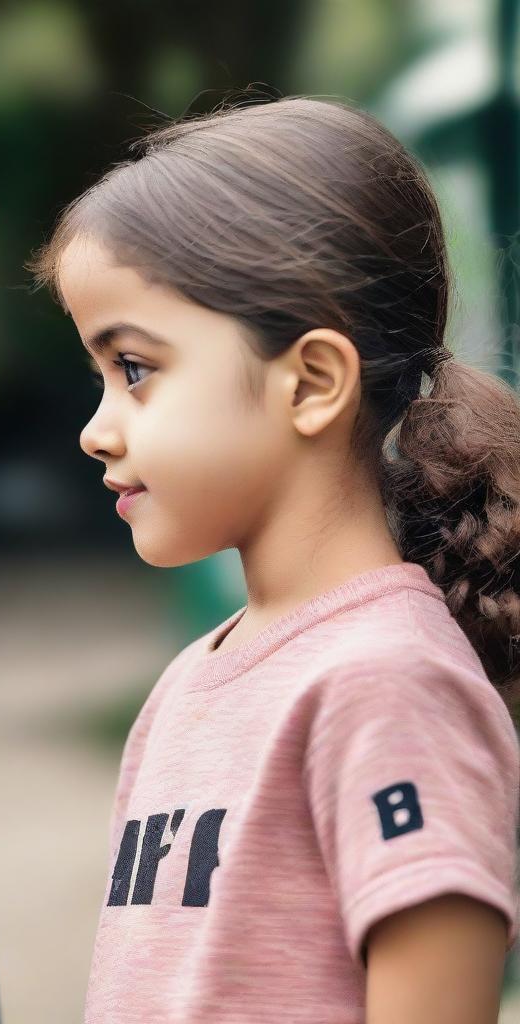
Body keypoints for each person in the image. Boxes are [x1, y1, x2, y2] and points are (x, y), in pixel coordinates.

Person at [31, 96, 520, 1023]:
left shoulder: (388, 682)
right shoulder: (190, 682)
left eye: (134, 368)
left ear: (311, 382)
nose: (96, 429)